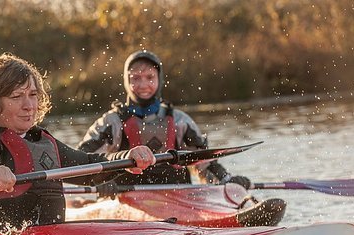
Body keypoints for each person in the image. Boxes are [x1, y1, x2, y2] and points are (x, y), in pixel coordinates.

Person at [0, 53, 155, 230]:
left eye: (33, 95)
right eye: (17, 97)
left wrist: (126, 157)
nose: (30, 106)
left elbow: (89, 167)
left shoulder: (41, 141)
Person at [77, 49, 251, 190]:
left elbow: (205, 164)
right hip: (126, 201)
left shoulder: (180, 121)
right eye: (135, 79)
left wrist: (227, 181)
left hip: (178, 199)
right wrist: (101, 180)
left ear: (159, 80)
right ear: (126, 81)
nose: (143, 85)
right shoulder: (111, 122)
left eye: (150, 78)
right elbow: (82, 162)